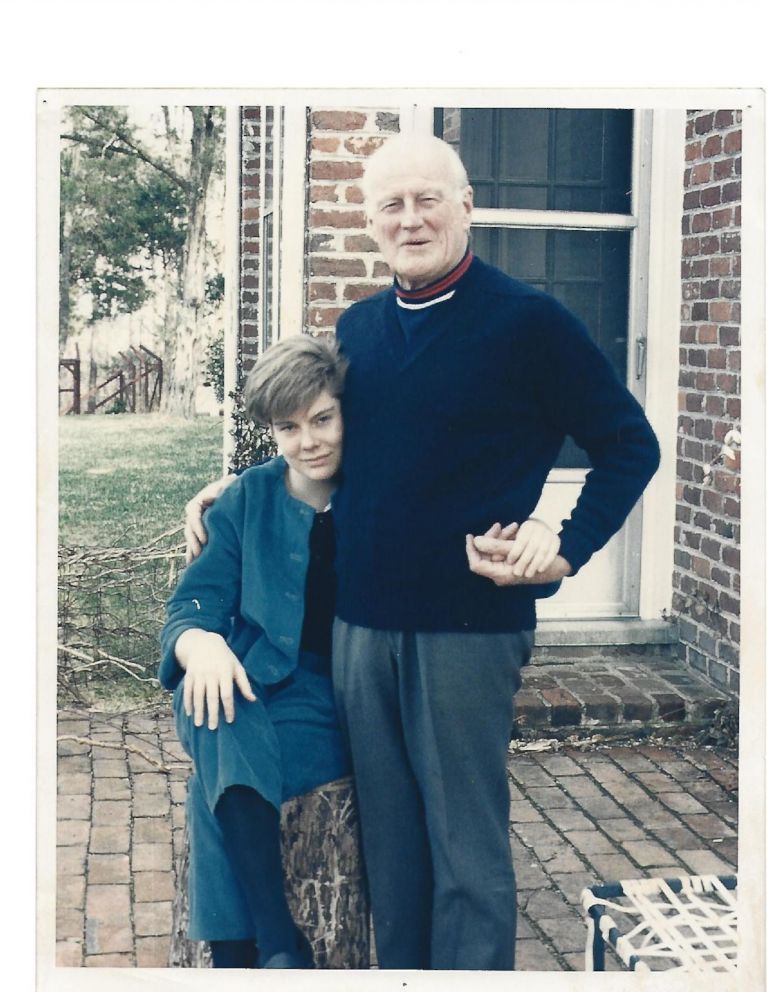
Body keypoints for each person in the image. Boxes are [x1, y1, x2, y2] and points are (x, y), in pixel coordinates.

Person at [184, 134, 661, 970]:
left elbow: (630, 445)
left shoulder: (529, 323)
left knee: (463, 854)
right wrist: (243, 488)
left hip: (466, 629)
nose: (409, 220)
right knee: (393, 853)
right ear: (370, 221)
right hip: (361, 628)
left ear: (465, 205)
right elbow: (348, 455)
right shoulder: (360, 328)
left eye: (426, 200)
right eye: (390, 205)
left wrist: (564, 545)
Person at [159, 336, 351, 969]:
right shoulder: (247, 498)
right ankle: (278, 942)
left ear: (346, 410)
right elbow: (194, 603)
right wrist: (202, 644)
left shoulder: (377, 498)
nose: (309, 442)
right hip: (239, 680)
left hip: (322, 703)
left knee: (213, 786)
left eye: (322, 418)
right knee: (213, 698)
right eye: (287, 428)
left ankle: (240, 956)